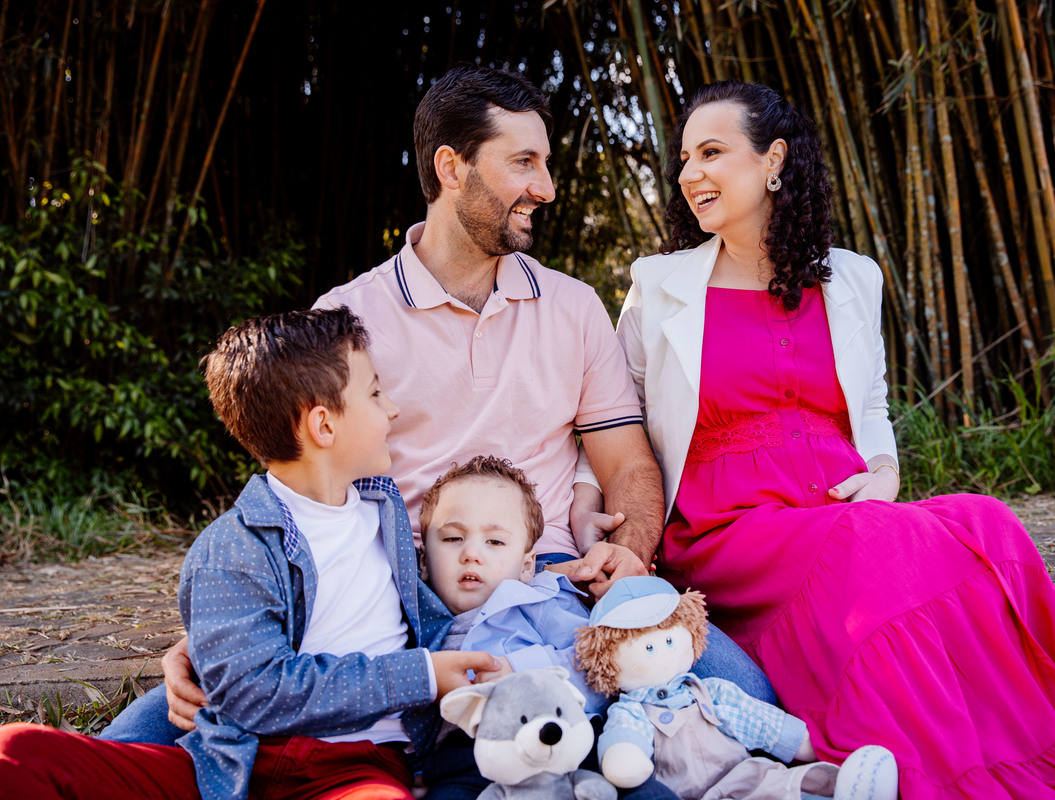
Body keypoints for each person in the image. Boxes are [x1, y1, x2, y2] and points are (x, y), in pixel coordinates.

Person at [98, 64, 773, 748]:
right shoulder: (346, 318)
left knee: (748, 695)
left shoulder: (571, 307)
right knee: (139, 740)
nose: (546, 188)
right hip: (389, 595)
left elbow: (628, 460)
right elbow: (292, 481)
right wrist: (218, 623)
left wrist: (629, 555)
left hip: (547, 586)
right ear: (451, 167)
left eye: (545, 163)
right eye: (524, 163)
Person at [614, 80, 1055, 799]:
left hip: (838, 498)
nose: (689, 174)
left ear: (773, 162)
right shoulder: (660, 286)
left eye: (711, 152)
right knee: (875, 547)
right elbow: (623, 420)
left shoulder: (853, 279)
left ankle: (1041, 736)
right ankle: (940, 765)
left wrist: (884, 471)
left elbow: (870, 401)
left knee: (988, 520)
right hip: (731, 524)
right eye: (683, 159)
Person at [0, 307, 500, 800]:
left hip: (357, 767)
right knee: (16, 750)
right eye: (373, 393)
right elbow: (254, 692)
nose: (391, 408)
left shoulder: (384, 508)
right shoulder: (229, 548)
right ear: (323, 426)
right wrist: (421, 675)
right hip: (238, 762)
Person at [416, 454, 674, 800]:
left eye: (494, 541)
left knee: (640, 792)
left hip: (568, 741)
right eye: (452, 539)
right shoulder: (418, 617)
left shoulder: (538, 599)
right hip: (473, 758)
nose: (471, 553)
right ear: (423, 563)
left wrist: (522, 671)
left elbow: (600, 664)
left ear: (526, 566)